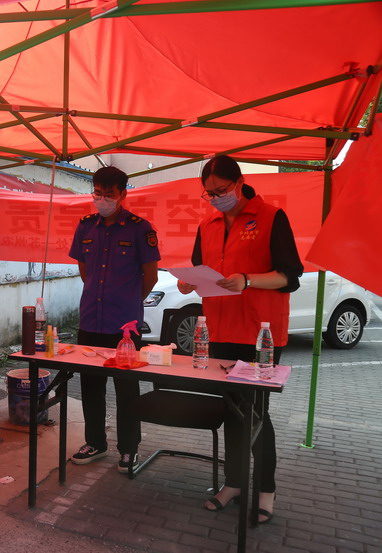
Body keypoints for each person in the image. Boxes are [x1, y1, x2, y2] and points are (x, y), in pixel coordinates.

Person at [176, 155, 303, 523]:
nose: (217, 198)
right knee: (231, 411)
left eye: (222, 190)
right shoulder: (208, 224)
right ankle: (233, 483)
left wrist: (248, 280)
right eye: (210, 193)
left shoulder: (271, 217)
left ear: (240, 182)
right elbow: (201, 269)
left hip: (260, 334)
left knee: (256, 414)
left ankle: (265, 489)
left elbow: (289, 276)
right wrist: (188, 282)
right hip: (220, 331)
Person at [68, 166, 160, 471]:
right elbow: (85, 271)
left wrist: (127, 302)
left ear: (122, 194)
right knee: (91, 387)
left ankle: (129, 448)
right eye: (98, 193)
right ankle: (95, 442)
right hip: (90, 320)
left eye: (109, 194)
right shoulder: (86, 226)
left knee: (126, 388)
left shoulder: (139, 229)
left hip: (125, 327)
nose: (102, 199)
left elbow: (150, 277)